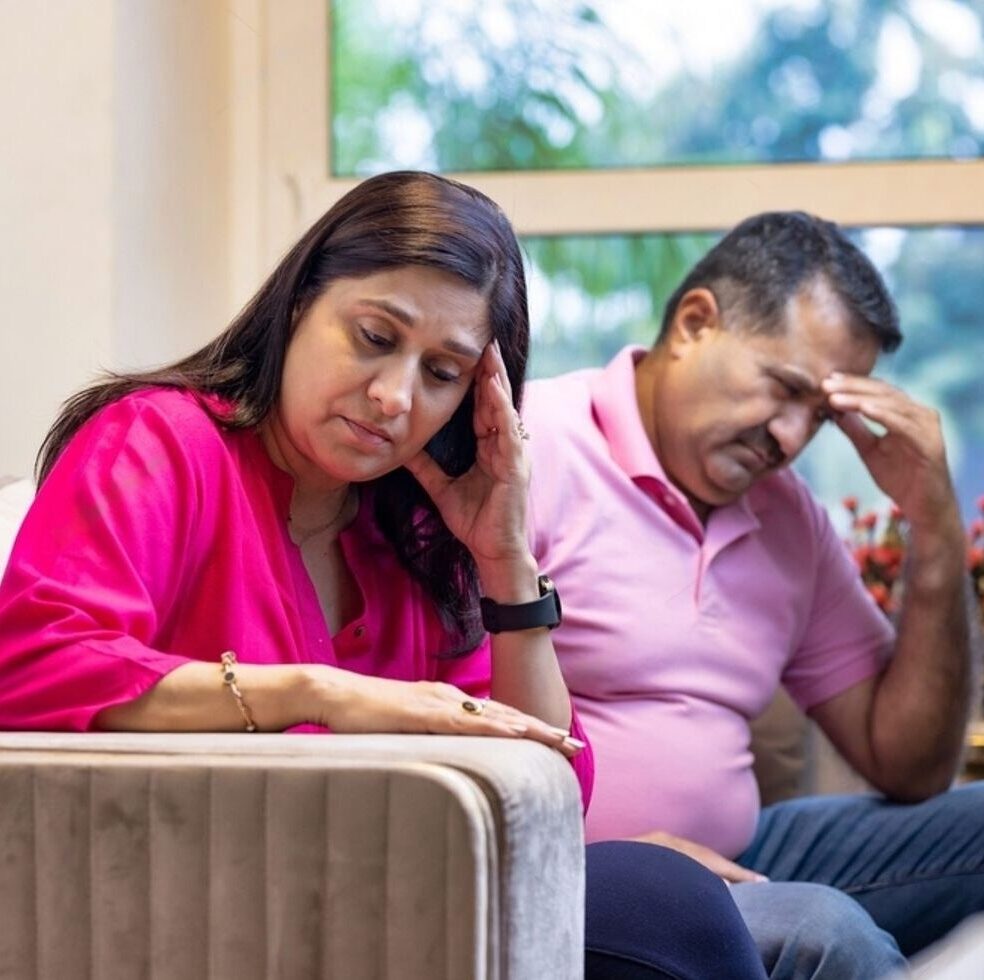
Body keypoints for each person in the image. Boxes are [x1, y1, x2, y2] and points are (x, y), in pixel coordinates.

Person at [0, 171, 767, 979]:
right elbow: (29, 666)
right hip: (196, 901)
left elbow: (547, 792)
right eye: (374, 336)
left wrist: (508, 564)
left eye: (441, 373)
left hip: (391, 910)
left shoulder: (412, 534)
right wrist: (317, 692)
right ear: (300, 302)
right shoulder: (163, 440)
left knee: (672, 902)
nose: (394, 397)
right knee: (671, 904)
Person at [522, 210, 984, 979]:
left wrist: (933, 527)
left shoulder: (786, 517)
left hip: (745, 855)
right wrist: (598, 852)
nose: (794, 438)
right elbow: (431, 712)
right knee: (826, 930)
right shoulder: (530, 449)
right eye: (785, 388)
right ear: (697, 322)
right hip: (572, 873)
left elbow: (908, 765)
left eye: (823, 416)